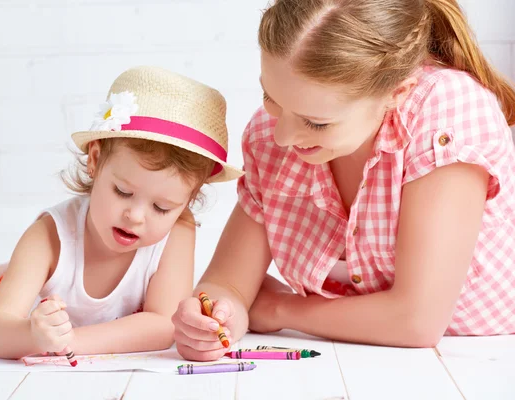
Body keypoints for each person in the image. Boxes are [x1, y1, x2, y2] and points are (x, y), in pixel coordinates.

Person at [172, 0, 515, 361]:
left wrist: (280, 310)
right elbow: (227, 285)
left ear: (397, 93)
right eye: (270, 97)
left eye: (316, 122)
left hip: (481, 358)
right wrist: (212, 319)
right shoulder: (268, 134)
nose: (283, 137)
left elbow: (416, 321)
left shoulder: (446, 108)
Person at [0, 66, 243, 359]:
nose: (136, 216)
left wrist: (69, 342)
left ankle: (9, 269)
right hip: (46, 283)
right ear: (95, 160)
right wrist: (33, 335)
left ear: (188, 200)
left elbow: (163, 325)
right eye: (123, 192)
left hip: (76, 328)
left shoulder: (179, 229)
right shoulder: (48, 237)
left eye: (161, 207)